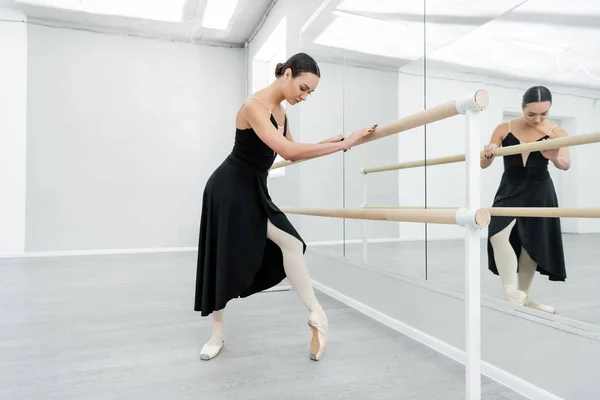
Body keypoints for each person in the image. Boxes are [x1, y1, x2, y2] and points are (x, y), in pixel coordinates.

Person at [194, 52, 376, 361]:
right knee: (221, 258)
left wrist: (334, 142)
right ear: (287, 74)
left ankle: (317, 314)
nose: (305, 97)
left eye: (310, 93)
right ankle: (216, 333)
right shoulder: (254, 106)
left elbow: (292, 156)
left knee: (291, 243)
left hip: (254, 188)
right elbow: (286, 148)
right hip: (228, 188)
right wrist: (343, 143)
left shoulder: (281, 112)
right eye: (304, 88)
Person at [481, 85, 570, 314]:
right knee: (498, 234)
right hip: (510, 187)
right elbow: (483, 163)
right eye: (532, 114)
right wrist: (489, 150)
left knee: (531, 242)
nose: (538, 119)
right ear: (522, 108)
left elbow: (566, 164)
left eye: (544, 114)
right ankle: (512, 292)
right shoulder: (504, 128)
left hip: (540, 189)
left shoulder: (558, 132)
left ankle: (525, 297)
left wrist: (554, 156)